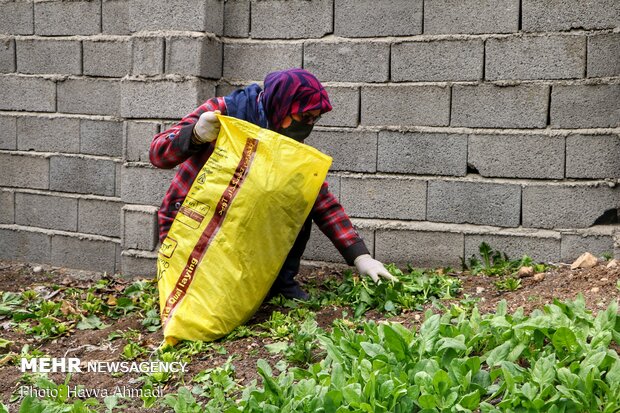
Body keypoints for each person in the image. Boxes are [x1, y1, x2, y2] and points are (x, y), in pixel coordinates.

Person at [150, 68, 396, 300]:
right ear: (282, 104)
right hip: (195, 221)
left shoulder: (286, 141)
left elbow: (321, 201)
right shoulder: (224, 112)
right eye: (303, 116)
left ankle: (279, 283)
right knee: (200, 297)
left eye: (314, 119)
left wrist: (360, 256)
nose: (308, 125)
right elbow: (158, 154)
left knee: (300, 195)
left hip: (236, 227)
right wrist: (195, 134)